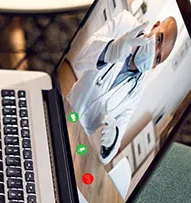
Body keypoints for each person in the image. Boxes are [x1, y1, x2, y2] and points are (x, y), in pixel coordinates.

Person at [66, 12, 179, 163]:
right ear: (155, 26)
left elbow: (110, 152)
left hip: (80, 139)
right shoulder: (125, 23)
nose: (154, 52)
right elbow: (80, 59)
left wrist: (112, 137)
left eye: (158, 58)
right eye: (159, 39)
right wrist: (111, 50)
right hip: (66, 109)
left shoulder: (137, 89)